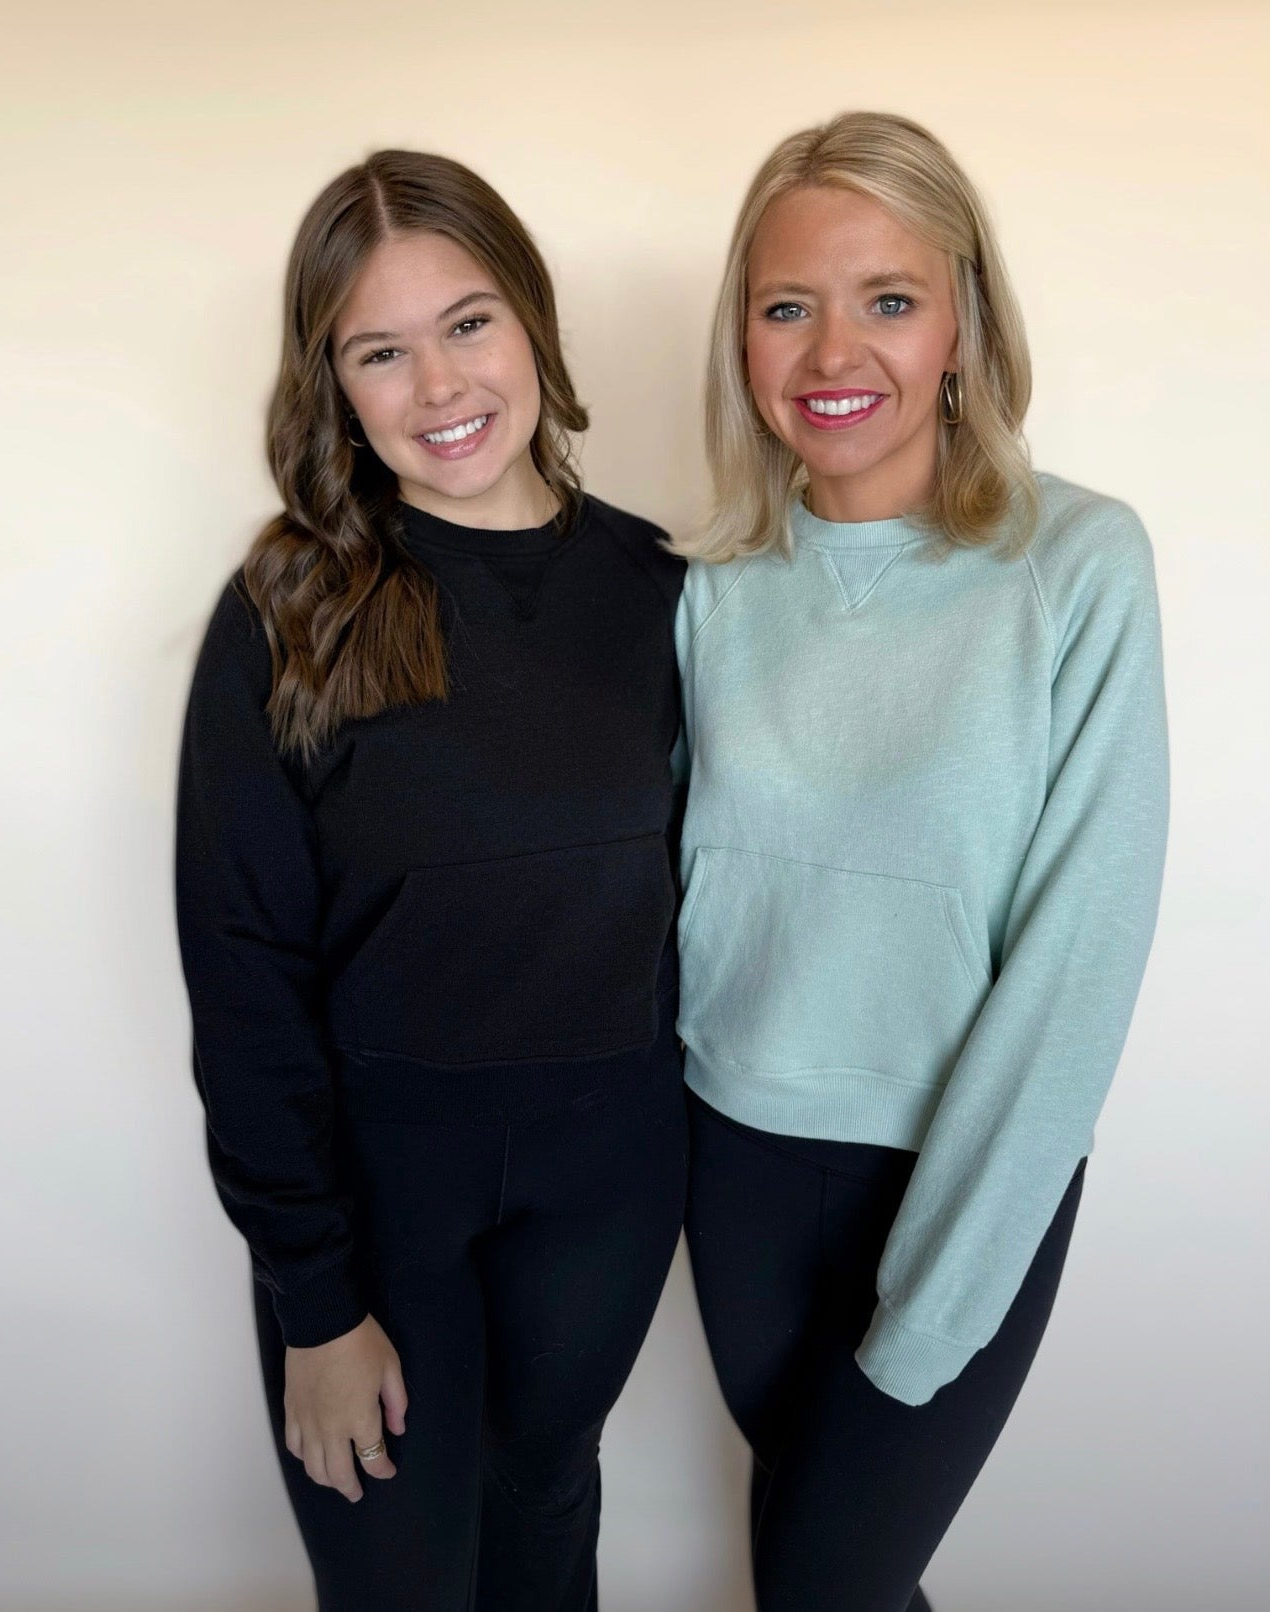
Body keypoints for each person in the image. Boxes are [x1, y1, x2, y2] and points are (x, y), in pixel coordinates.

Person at [174, 149, 687, 1612]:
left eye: (468, 323)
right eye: (378, 351)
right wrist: (314, 1302)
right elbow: (241, 968)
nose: (438, 385)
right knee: (399, 1579)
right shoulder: (290, 610)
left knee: (544, 1537)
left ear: (530, 321)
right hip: (378, 1203)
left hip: (607, 1189)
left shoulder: (665, 592)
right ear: (331, 384)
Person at [670, 111, 1169, 1611]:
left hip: (970, 1165)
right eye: (785, 306)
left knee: (820, 1583)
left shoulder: (1076, 564)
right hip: (732, 1161)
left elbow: (1080, 950)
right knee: (834, 1582)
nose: (833, 352)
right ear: (740, 342)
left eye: (887, 298)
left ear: (961, 322)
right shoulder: (707, 591)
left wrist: (945, 1283)